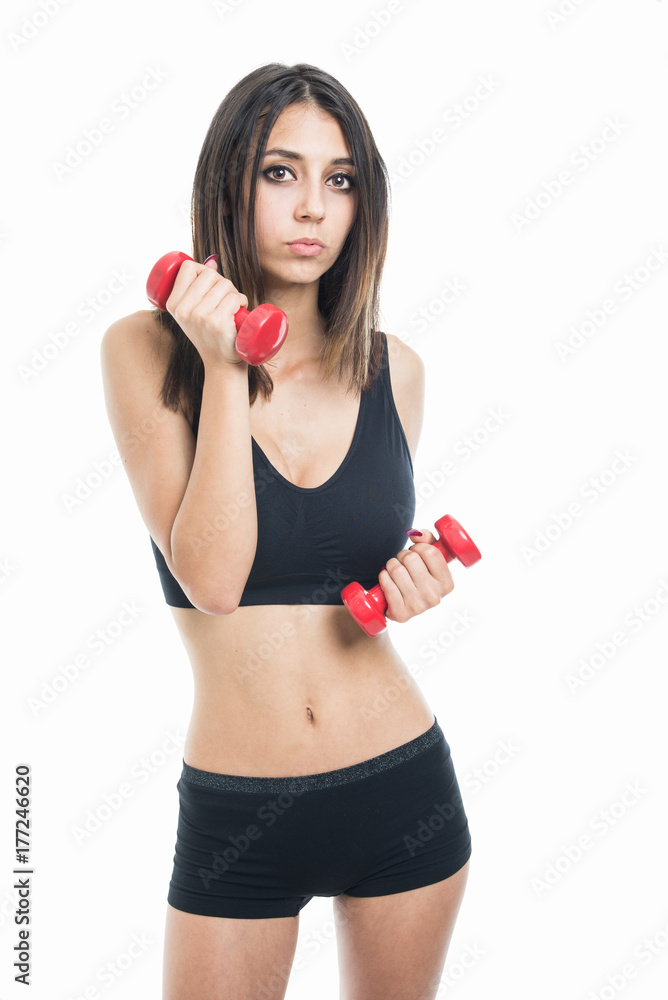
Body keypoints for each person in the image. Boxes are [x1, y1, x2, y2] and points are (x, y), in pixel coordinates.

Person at [101, 62, 472, 1000]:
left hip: (403, 793)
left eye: (339, 179)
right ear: (231, 179)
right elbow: (215, 582)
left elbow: (342, 578)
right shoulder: (144, 352)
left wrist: (407, 584)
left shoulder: (398, 371)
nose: (312, 207)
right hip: (239, 812)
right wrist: (227, 368)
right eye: (280, 172)